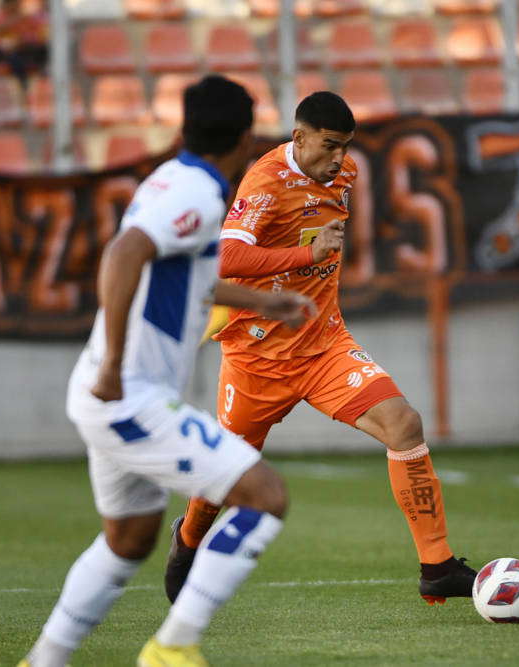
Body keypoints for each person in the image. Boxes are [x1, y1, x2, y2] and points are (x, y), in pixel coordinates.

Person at [19, 75, 314, 667]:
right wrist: (113, 368)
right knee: (265, 496)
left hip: (108, 395)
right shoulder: (201, 193)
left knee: (129, 538)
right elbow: (125, 253)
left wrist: (262, 301)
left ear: (183, 130)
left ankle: (44, 660)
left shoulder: (172, 178)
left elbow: (185, 275)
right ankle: (173, 645)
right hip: (129, 396)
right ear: (247, 138)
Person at [164, 91, 476, 606]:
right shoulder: (265, 182)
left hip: (325, 345)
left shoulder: (343, 175)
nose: (340, 158)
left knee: (404, 424)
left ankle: (437, 566)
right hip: (256, 360)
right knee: (224, 478)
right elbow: (225, 256)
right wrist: (306, 253)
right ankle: (190, 538)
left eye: (345, 147)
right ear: (299, 137)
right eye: (330, 146)